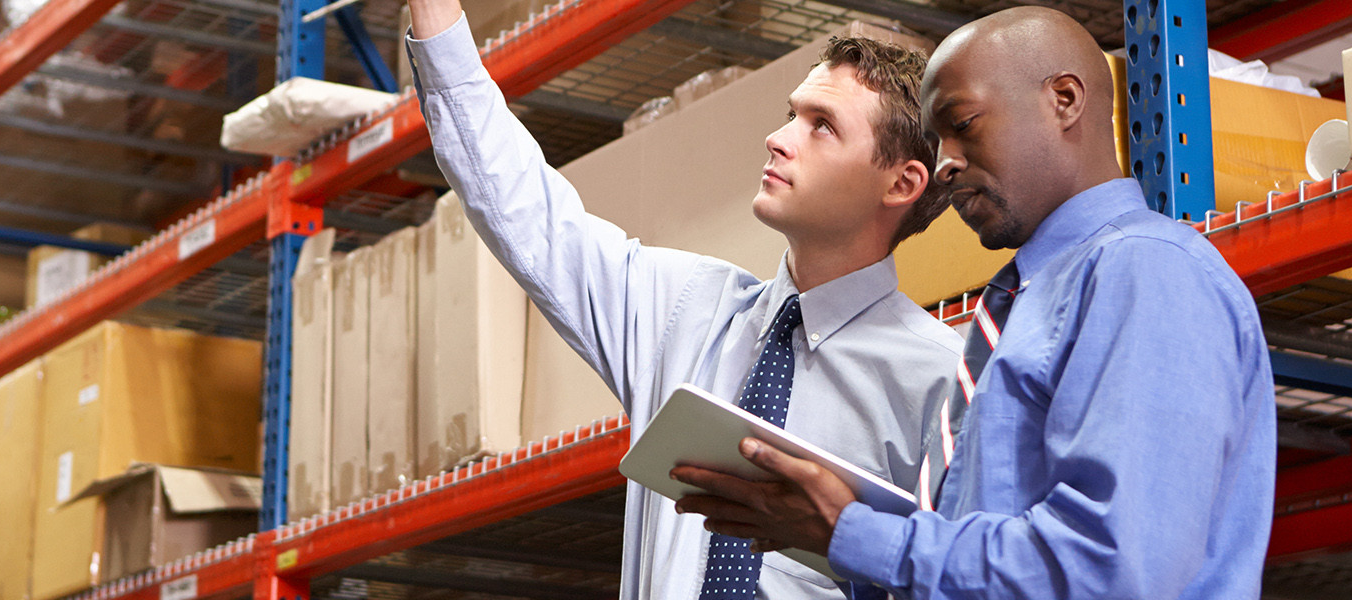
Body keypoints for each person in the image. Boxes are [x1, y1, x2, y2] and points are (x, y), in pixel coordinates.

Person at [673, 6, 1277, 599]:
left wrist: (858, 535)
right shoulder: (1025, 303)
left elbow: (1112, 570)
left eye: (962, 125)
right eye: (936, 142)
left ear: (1064, 99)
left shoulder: (1144, 273)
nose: (944, 165)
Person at [403, 1, 967, 598]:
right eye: (790, 115)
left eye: (821, 125)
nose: (777, 139)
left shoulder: (938, 384)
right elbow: (525, 209)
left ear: (902, 183)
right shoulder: (686, 312)